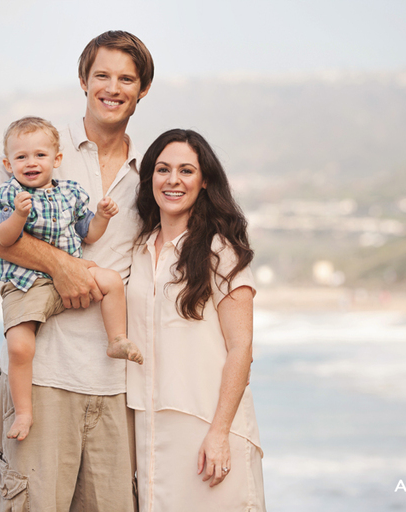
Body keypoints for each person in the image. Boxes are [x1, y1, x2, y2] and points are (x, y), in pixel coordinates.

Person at [0, 30, 153, 512]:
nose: (113, 87)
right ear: (84, 81)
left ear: (142, 90)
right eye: (102, 75)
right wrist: (60, 266)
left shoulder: (147, 171)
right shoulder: (41, 146)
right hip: (42, 378)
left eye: (126, 79)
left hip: (113, 387)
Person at [127, 129, 266, 511]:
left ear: (204, 181)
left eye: (186, 170)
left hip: (208, 423)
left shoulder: (221, 250)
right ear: (150, 178)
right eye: (163, 169)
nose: (173, 180)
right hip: (150, 427)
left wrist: (219, 433)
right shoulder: (136, 250)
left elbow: (242, 348)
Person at [0, 116, 143, 442]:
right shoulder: (9, 194)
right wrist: (18, 215)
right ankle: (24, 412)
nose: (31, 163)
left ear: (57, 160)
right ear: (8, 163)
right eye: (21, 157)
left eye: (40, 155)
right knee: (19, 346)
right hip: (26, 280)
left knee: (112, 280)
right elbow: (3, 238)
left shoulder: (71, 193)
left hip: (74, 270)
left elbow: (87, 233)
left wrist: (101, 216)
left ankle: (116, 339)